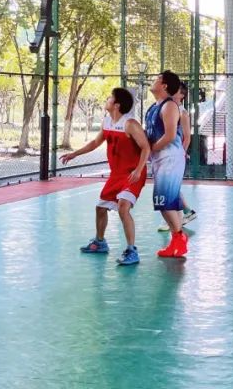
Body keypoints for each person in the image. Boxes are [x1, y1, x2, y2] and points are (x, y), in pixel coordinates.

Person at [62, 87, 150, 265]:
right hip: (116, 175)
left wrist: (138, 170)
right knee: (100, 208)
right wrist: (74, 154)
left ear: (117, 105)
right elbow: (95, 142)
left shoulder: (130, 124)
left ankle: (132, 250)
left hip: (133, 173)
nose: (107, 99)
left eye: (110, 98)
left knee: (123, 207)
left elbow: (146, 147)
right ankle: (100, 242)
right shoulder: (107, 122)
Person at [145, 70, 189, 258]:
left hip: (169, 158)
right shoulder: (153, 107)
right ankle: (176, 240)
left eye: (157, 79)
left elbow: (170, 135)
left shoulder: (169, 106)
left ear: (164, 85)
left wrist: (151, 149)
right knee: (166, 203)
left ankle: (180, 239)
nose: (153, 81)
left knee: (164, 203)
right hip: (160, 159)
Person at [157, 82, 197, 231]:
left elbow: (187, 138)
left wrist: (181, 154)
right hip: (163, 155)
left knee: (169, 187)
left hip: (174, 156)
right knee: (171, 187)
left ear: (182, 95)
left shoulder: (182, 113)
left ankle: (177, 217)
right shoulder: (165, 108)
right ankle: (182, 214)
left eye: (176, 90)